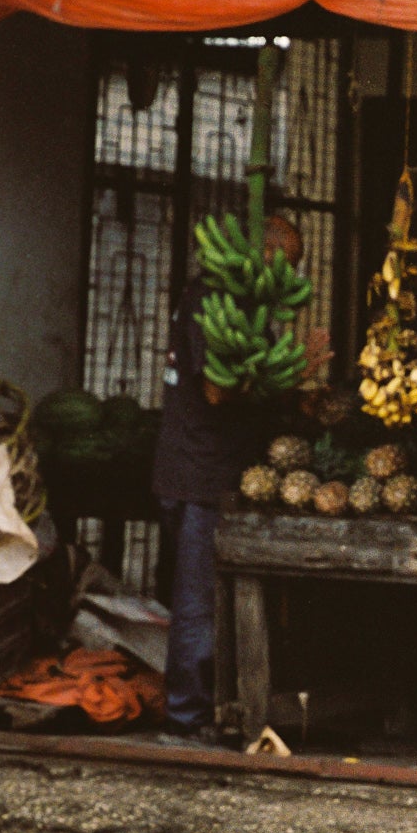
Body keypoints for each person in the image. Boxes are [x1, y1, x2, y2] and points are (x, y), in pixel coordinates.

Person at [152, 213, 316, 740]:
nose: (291, 277)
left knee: (213, 606)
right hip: (198, 474)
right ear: (265, 255)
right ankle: (185, 717)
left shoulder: (243, 307)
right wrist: (299, 371)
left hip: (214, 472)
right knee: (199, 607)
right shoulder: (211, 300)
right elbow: (219, 393)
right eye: (289, 264)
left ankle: (210, 710)